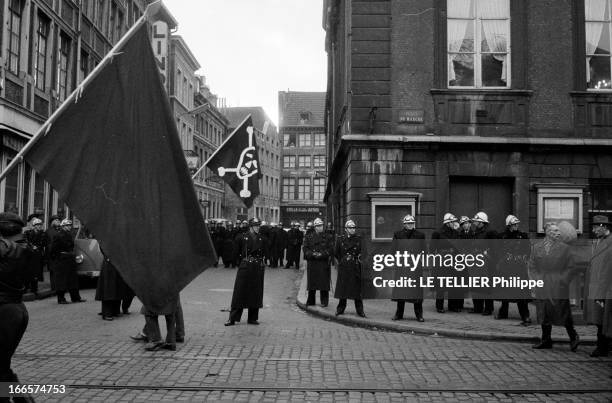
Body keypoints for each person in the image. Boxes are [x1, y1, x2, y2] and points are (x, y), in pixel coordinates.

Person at [530, 222, 580, 351]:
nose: (558, 233)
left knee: (563, 311)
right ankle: (546, 340)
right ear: (547, 232)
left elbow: (571, 267)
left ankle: (573, 336)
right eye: (554, 231)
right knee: (543, 312)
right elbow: (532, 266)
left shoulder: (565, 248)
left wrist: (562, 280)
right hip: (542, 283)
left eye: (558, 231)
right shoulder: (536, 247)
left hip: (558, 284)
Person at [0, 213, 34, 392]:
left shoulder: (8, 249)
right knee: (2, 365)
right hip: (16, 308)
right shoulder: (25, 248)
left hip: (4, 311)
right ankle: (19, 397)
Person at [225, 218, 267, 326]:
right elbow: (235, 252)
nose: (258, 227)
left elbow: (265, 252)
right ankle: (233, 318)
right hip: (245, 266)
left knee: (255, 292)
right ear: (251, 227)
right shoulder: (242, 237)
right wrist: (240, 263)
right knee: (239, 292)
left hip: (257, 267)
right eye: (256, 225)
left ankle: (252, 317)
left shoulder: (262, 238)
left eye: (259, 225)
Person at [584, 215, 612, 357]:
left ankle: (602, 347)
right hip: (595, 285)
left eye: (595, 227)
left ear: (603, 227)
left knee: (604, 319)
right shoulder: (598, 241)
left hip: (604, 287)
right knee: (599, 319)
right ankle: (603, 346)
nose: (594, 230)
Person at [496, 215, 531, 325]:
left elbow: (528, 250)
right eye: (514, 224)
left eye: (517, 224)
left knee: (521, 292)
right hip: (506, 267)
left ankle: (525, 315)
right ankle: (503, 312)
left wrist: (524, 260)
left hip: (519, 267)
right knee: (504, 291)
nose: (516, 226)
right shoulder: (502, 237)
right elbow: (498, 251)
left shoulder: (523, 236)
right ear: (509, 225)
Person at [391, 215, 426, 322]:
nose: (411, 225)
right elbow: (393, 250)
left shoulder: (420, 235)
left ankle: (419, 315)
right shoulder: (398, 235)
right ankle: (399, 314)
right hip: (402, 267)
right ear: (404, 224)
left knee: (417, 293)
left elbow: (424, 251)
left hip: (415, 267)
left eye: (412, 223)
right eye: (409, 223)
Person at [334, 219, 366, 317]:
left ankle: (360, 310)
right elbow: (336, 253)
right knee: (343, 289)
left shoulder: (359, 239)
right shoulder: (340, 239)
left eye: (353, 228)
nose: (352, 230)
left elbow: (365, 252)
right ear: (346, 229)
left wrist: (358, 259)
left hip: (355, 266)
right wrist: (343, 260)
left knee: (357, 290)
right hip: (344, 267)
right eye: (350, 228)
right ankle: (340, 309)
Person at [49, 219, 85, 304]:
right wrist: (57, 258)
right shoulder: (58, 235)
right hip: (62, 259)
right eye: (67, 226)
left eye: (69, 225)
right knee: (62, 279)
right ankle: (61, 298)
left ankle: (75, 297)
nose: (69, 227)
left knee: (73, 279)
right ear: (63, 226)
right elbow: (53, 249)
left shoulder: (69, 235)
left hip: (70, 258)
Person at [469, 211, 497, 315]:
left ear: (481, 222)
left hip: (486, 262)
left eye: (476, 221)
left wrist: (488, 255)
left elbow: (495, 247)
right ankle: (477, 308)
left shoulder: (490, 232)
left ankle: (488, 308)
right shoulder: (475, 232)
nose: (474, 222)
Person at [431, 213, 459, 313]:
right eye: (453, 222)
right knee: (441, 284)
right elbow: (432, 249)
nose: (454, 223)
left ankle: (452, 306)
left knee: (453, 283)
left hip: (454, 260)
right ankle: (439, 306)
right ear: (448, 223)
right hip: (441, 261)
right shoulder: (437, 233)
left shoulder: (456, 233)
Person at [95, 251, 132, 320]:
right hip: (110, 261)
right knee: (109, 288)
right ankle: (107, 313)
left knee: (118, 287)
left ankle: (115, 311)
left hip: (119, 261)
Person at [304, 218, 333, 307]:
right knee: (312, 283)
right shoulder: (309, 237)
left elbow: (330, 249)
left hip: (323, 263)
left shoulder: (327, 237)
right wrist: (312, 254)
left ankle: (324, 301)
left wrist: (322, 254)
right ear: (315, 227)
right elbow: (305, 249)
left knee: (324, 283)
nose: (320, 227)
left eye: (321, 226)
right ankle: (311, 300)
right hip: (313, 263)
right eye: (318, 226)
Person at [23, 217, 48, 295]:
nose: (39, 226)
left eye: (40, 225)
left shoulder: (43, 234)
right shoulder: (27, 233)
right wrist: (31, 246)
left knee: (36, 272)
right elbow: (25, 242)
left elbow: (45, 244)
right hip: (29, 255)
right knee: (28, 272)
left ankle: (34, 288)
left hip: (38, 255)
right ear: (34, 225)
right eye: (37, 225)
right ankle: (26, 287)